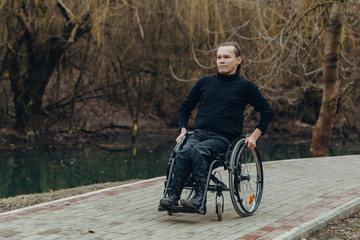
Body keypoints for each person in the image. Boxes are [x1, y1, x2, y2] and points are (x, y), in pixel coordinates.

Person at [159, 42, 274, 209]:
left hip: (225, 139)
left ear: (238, 60)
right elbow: (185, 107)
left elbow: (267, 111)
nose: (222, 61)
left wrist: (254, 137)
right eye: (219, 57)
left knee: (199, 151)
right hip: (199, 134)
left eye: (227, 57)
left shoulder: (246, 87)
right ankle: (173, 195)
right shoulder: (204, 83)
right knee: (183, 151)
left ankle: (199, 198)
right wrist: (183, 130)